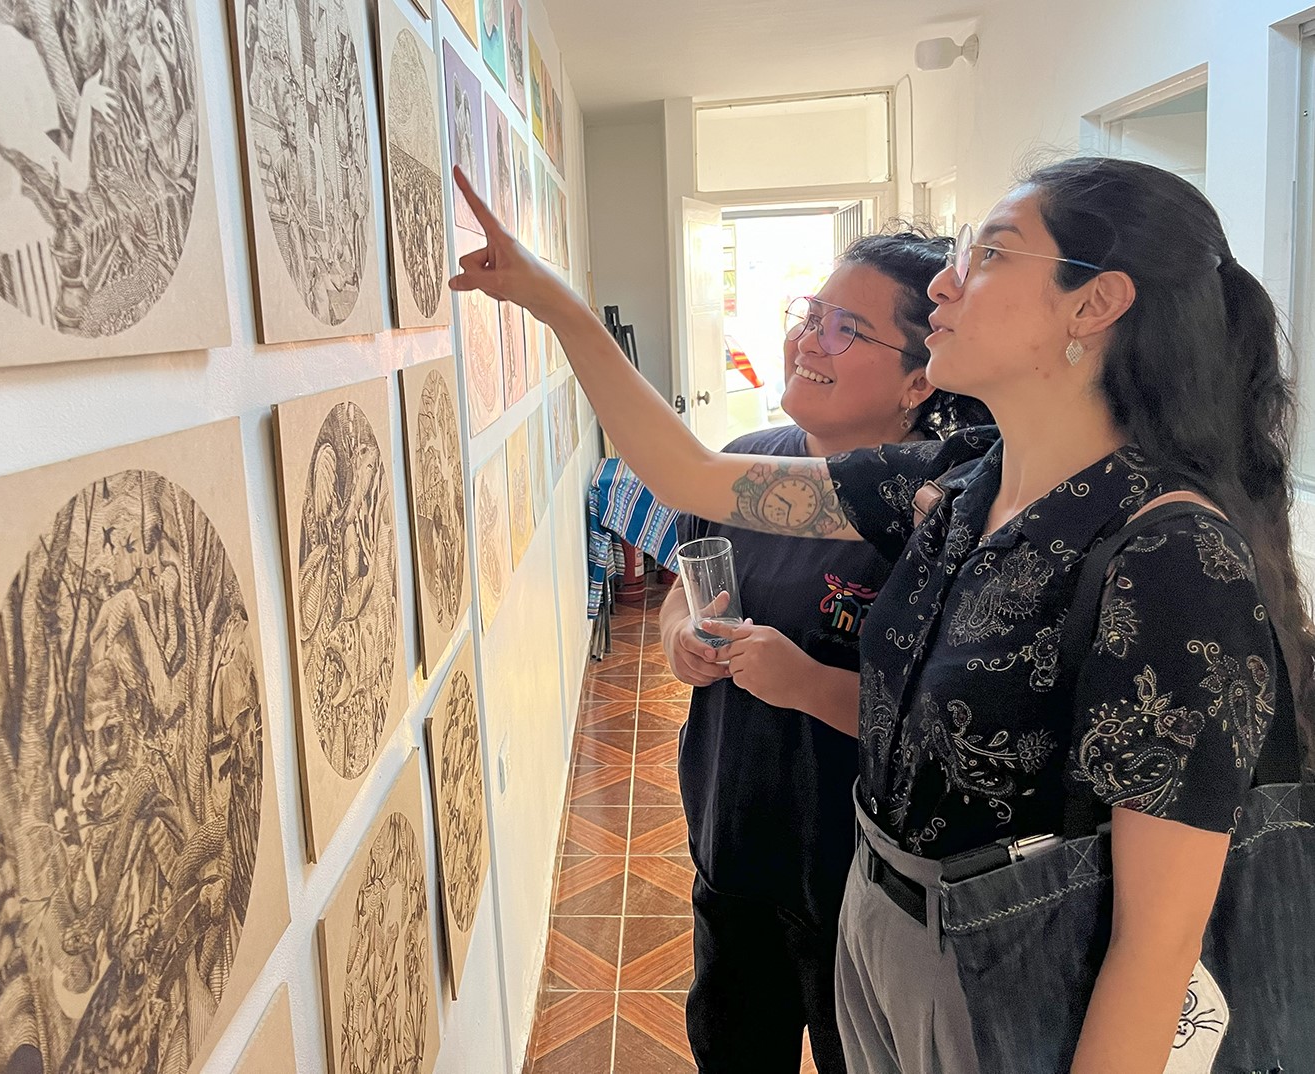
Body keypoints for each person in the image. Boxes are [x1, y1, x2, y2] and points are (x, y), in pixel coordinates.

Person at [449, 157, 1312, 1072]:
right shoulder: (958, 484)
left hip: (1019, 974)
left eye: (991, 255)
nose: (946, 283)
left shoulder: (1171, 557)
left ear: (1093, 305)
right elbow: (690, 476)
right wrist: (552, 303)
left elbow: (1157, 947)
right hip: (884, 922)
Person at [662, 229, 988, 1074]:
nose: (809, 340)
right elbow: (681, 588)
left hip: (861, 886)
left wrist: (807, 684)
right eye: (811, 315)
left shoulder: (938, 513)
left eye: (847, 328)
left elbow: (944, 729)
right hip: (732, 843)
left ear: (920, 380)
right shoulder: (740, 468)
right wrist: (679, 639)